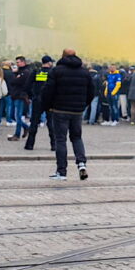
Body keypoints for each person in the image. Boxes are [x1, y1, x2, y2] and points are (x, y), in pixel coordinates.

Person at [39, 49, 94, 181]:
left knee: (60, 140)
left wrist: (47, 106)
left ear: (62, 56)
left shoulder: (56, 71)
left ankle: (61, 171)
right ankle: (81, 164)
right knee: (76, 137)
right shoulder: (84, 72)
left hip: (60, 110)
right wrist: (83, 105)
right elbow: (91, 91)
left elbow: (48, 90)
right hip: (77, 111)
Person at [24, 56, 54, 150]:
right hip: (50, 100)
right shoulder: (53, 72)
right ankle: (54, 145)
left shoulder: (36, 72)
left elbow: (27, 86)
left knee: (34, 122)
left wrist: (32, 95)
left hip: (37, 99)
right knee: (51, 123)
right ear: (49, 63)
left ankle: (29, 145)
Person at [7, 57, 33, 141]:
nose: (17, 64)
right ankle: (26, 127)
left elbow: (16, 81)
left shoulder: (26, 72)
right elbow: (13, 81)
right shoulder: (19, 72)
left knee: (17, 116)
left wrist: (15, 76)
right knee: (12, 115)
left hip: (20, 96)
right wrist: (15, 76)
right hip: (15, 95)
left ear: (23, 62)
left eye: (18, 62)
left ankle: (17, 135)